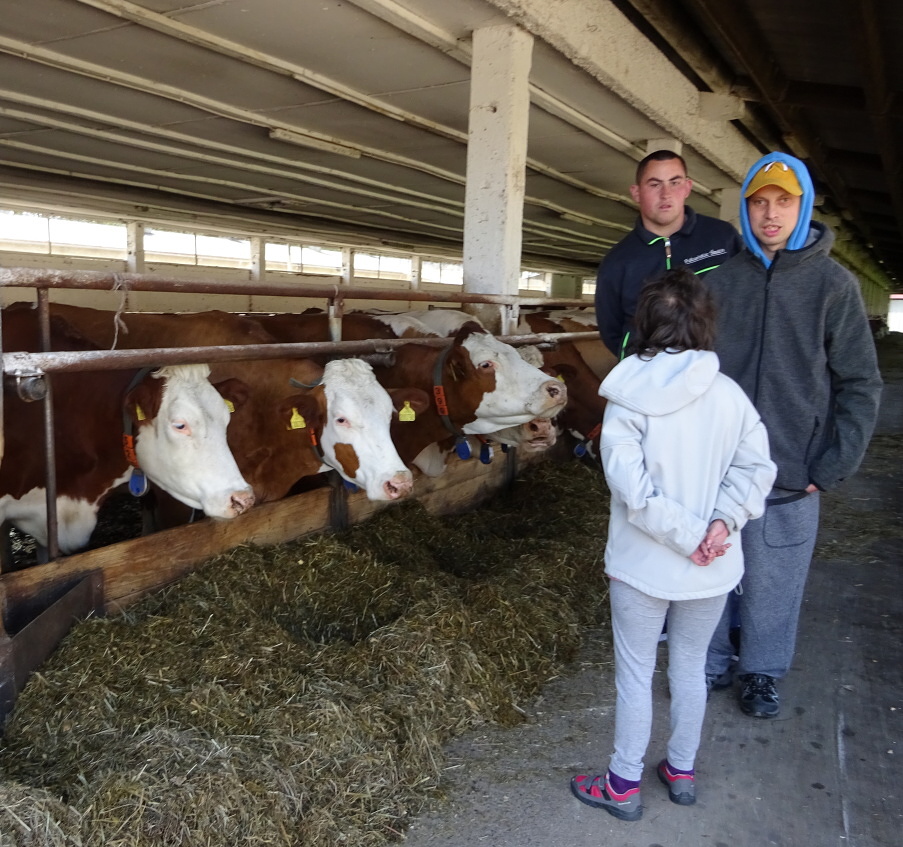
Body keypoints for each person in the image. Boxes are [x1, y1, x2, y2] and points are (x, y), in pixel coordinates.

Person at [571, 268, 776, 821]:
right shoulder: (729, 394)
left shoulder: (627, 395)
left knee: (636, 674)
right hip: (713, 566)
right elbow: (757, 468)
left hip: (643, 566)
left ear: (643, 322)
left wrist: (689, 537)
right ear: (705, 322)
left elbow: (633, 492)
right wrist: (721, 525)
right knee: (689, 666)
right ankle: (681, 770)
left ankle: (622, 784)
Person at [703, 152, 883, 718]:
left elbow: (860, 382)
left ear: (803, 207)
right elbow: (693, 372)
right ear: (745, 208)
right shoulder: (720, 283)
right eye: (759, 202)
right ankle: (710, 660)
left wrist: (830, 466)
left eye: (784, 201)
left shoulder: (833, 286)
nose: (771, 214)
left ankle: (761, 670)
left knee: (776, 577)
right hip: (719, 465)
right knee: (709, 565)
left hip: (792, 467)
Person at [595, 150, 743, 359]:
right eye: (654, 184)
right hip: (649, 375)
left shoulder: (722, 237)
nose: (666, 194)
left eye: (675, 182)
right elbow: (612, 332)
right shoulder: (617, 261)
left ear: (687, 187)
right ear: (636, 193)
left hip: (720, 368)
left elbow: (746, 299)